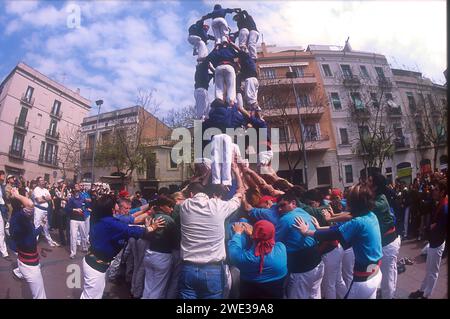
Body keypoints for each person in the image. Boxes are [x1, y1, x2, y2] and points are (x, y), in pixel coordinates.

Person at [294, 184, 383, 299]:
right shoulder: (370, 215)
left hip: (364, 279)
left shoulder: (358, 222)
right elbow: (341, 227)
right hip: (375, 273)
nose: (345, 201)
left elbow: (334, 233)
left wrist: (307, 232)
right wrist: (320, 227)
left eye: (348, 199)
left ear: (354, 203)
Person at [178, 165, 244, 299]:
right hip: (212, 270)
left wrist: (207, 173)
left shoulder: (184, 206)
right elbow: (240, 194)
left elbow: (188, 188)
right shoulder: (219, 206)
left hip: (188, 268)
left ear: (191, 194)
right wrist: (237, 173)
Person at [80, 195, 165, 299]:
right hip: (96, 265)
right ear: (111, 208)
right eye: (115, 203)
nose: (117, 205)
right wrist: (151, 227)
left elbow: (132, 217)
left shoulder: (100, 217)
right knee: (90, 296)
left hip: (95, 262)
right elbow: (130, 230)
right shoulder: (110, 222)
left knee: (93, 294)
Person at [228, 220, 287, 298]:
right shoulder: (281, 248)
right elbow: (266, 243)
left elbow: (233, 251)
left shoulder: (247, 258)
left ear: (254, 235)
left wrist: (238, 233)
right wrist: (254, 235)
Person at [409, 179, 447, 299]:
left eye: (436, 189)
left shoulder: (445, 207)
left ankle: (427, 295)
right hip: (433, 241)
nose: (433, 191)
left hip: (438, 242)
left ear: (442, 192)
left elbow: (440, 227)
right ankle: (422, 290)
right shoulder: (439, 202)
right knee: (429, 269)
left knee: (433, 272)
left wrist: (431, 227)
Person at [9, 187, 47, 299]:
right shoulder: (20, 218)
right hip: (29, 264)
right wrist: (17, 195)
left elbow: (31, 235)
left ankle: (18, 271)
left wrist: (41, 226)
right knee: (40, 296)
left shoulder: (19, 218)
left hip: (22, 258)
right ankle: (20, 271)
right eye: (24, 197)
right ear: (21, 205)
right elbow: (30, 204)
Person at [367, 171, 400, 299]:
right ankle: (390, 294)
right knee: (389, 273)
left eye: (369, 180)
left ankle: (389, 296)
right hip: (385, 243)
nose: (366, 182)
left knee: (388, 278)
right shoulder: (376, 197)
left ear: (375, 186)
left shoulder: (380, 200)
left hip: (388, 243)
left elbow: (367, 207)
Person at [142, 196, 178, 299]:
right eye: (170, 206)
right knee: (158, 289)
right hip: (162, 256)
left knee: (148, 286)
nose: (171, 209)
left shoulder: (151, 217)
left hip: (149, 253)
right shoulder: (168, 220)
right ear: (162, 206)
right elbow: (176, 241)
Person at [32, 177, 59, 247]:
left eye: (43, 180)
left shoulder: (46, 190)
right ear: (38, 182)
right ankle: (34, 242)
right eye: (41, 180)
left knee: (46, 226)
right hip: (38, 210)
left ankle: (50, 241)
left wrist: (43, 198)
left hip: (45, 210)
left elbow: (50, 198)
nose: (43, 182)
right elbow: (38, 200)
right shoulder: (36, 189)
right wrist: (45, 198)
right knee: (37, 225)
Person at [65, 184, 88, 259]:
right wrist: (75, 209)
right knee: (73, 236)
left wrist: (83, 210)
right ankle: (73, 252)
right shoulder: (71, 199)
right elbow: (67, 209)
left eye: (78, 190)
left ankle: (84, 247)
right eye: (75, 190)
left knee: (83, 235)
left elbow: (85, 206)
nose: (77, 191)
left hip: (81, 219)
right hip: (73, 219)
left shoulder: (83, 198)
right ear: (74, 191)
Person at [0, 170, 9, 259]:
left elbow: (4, 198)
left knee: (2, 231)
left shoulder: (2, 187)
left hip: (1, 209)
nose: (4, 176)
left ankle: (4, 252)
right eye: (3, 175)